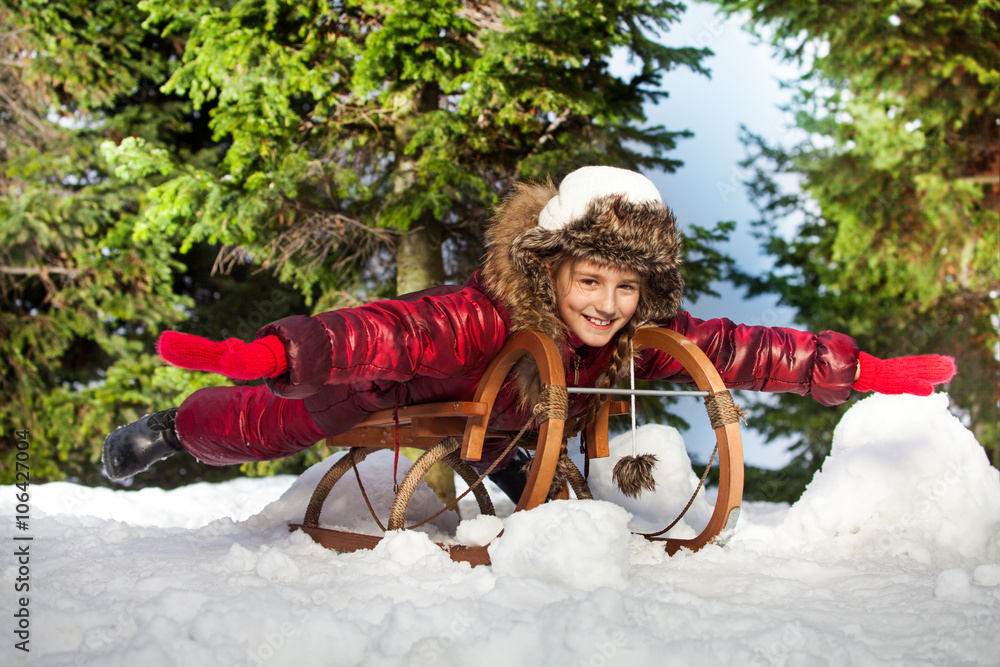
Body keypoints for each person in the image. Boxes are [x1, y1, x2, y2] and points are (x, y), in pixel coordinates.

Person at [102, 166, 956, 499]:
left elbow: (743, 349)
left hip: (513, 432)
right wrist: (280, 353)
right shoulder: (480, 312)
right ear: (552, 271)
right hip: (400, 393)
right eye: (592, 280)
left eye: (627, 286)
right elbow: (382, 330)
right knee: (274, 423)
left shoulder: (626, 329)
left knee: (541, 494)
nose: (609, 303)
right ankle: (172, 427)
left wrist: (863, 368)